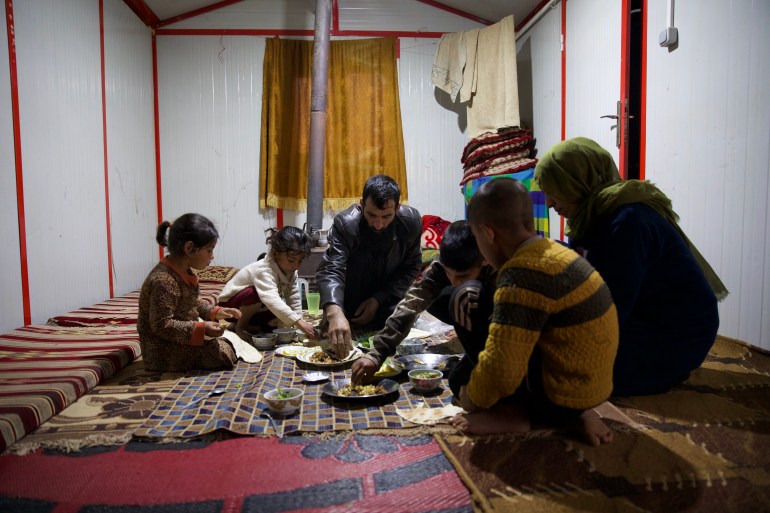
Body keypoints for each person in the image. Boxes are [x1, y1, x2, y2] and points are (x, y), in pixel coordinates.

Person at [534, 137, 726, 396]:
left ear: (577, 182)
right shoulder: (591, 214)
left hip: (676, 332)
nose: (548, 203)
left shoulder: (629, 223)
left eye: (554, 190)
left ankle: (666, 368)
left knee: (557, 366)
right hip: (640, 313)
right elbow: (588, 268)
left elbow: (609, 308)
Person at [450, 178, 619, 446]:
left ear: (488, 233)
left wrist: (471, 398)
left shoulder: (523, 273)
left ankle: (512, 413)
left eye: (476, 235)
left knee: (464, 302)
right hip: (590, 388)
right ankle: (575, 414)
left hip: (560, 397)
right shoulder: (554, 252)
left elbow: (502, 368)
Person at [351, 220, 496, 393]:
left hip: (506, 327)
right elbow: (412, 304)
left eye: (463, 275)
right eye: (451, 275)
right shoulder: (440, 267)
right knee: (458, 381)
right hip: (473, 306)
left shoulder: (502, 270)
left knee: (463, 294)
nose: (455, 282)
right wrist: (377, 354)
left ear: (485, 260)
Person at [316, 174, 423, 357]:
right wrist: (334, 313)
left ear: (397, 208)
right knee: (338, 327)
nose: (378, 224)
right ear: (361, 203)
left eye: (386, 216)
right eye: (371, 215)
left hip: (387, 297)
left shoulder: (411, 222)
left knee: (399, 320)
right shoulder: (346, 223)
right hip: (351, 299)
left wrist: (378, 299)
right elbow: (331, 269)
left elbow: (411, 268)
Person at [138, 213, 242, 372]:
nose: (212, 256)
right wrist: (202, 328)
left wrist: (216, 312)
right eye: (209, 250)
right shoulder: (164, 280)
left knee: (228, 342)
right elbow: (161, 325)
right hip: (163, 352)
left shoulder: (183, 271)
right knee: (222, 352)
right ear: (189, 248)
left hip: (180, 341)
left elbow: (190, 302)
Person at [218, 226, 317, 342]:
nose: (296, 266)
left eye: (300, 261)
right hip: (229, 307)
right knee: (255, 294)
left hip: (254, 308)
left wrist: (299, 321)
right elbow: (271, 299)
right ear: (276, 253)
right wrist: (299, 322)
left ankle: (241, 326)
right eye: (291, 260)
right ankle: (241, 327)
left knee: (276, 325)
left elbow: (293, 296)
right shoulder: (264, 270)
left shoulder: (291, 271)